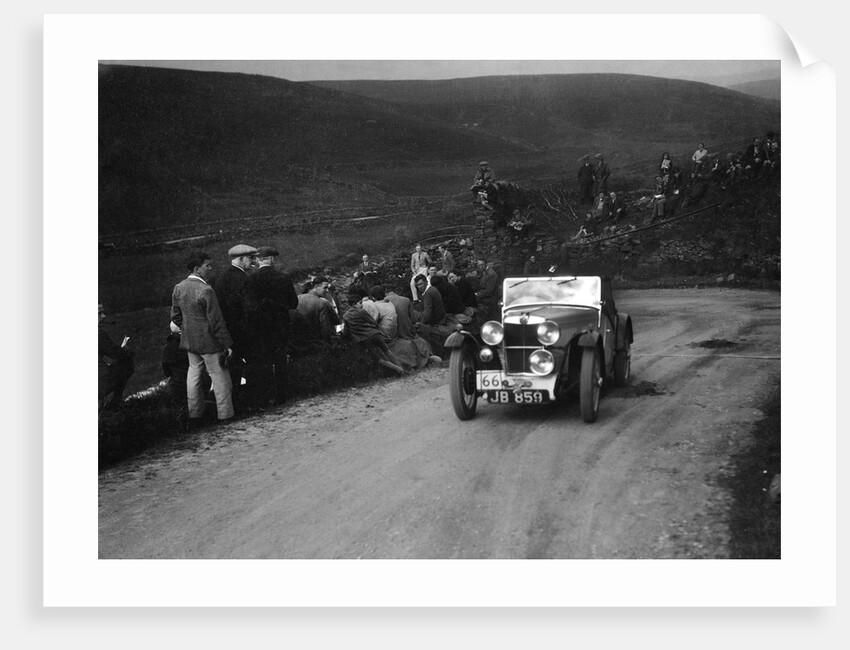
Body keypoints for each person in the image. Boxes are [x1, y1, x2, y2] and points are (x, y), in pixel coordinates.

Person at [170, 250, 234, 423]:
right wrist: (227, 344)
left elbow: (175, 316)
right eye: (207, 265)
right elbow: (216, 321)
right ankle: (225, 414)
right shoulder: (206, 290)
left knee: (194, 376)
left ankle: (195, 414)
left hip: (190, 343)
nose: (210, 268)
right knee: (219, 376)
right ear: (197, 269)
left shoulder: (179, 287)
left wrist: (189, 330)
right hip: (210, 343)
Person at [241, 246, 300, 408]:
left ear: (259, 260)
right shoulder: (283, 278)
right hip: (280, 326)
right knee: (280, 360)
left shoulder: (250, 280)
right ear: (272, 259)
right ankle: (281, 396)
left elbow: (248, 307)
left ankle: (265, 397)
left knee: (264, 362)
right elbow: (293, 303)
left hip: (260, 328)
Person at [213, 243, 257, 413]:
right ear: (240, 259)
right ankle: (251, 402)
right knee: (253, 364)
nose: (253, 262)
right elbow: (247, 309)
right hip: (244, 330)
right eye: (250, 258)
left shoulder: (221, 278)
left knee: (233, 368)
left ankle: (236, 403)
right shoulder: (243, 279)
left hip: (228, 331)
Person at [342, 287, 406, 375]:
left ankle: (398, 369)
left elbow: (346, 331)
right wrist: (376, 329)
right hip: (375, 334)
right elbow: (372, 321)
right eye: (360, 303)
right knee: (387, 351)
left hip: (365, 339)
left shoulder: (346, 316)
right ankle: (402, 368)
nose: (361, 305)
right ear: (354, 304)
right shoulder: (362, 312)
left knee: (379, 359)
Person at [98, 303, 135, 410]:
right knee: (126, 363)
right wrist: (126, 350)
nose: (103, 316)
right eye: (99, 313)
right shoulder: (98, 334)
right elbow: (116, 353)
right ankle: (115, 401)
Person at [296, 275, 341, 345]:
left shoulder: (298, 298)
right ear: (316, 287)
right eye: (325, 288)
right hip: (316, 342)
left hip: (300, 342)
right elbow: (326, 329)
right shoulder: (321, 303)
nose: (327, 291)